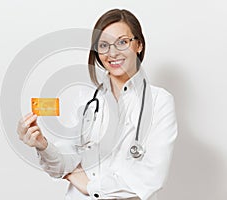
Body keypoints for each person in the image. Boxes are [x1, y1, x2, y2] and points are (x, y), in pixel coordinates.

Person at [17, 9, 178, 200]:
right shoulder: (85, 100)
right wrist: (42, 145)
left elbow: (150, 179)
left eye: (122, 42)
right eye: (103, 45)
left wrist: (88, 186)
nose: (112, 52)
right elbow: (62, 164)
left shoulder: (160, 102)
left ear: (139, 45)